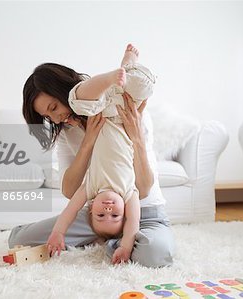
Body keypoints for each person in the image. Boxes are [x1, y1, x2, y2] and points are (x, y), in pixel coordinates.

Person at [10, 44, 175, 267]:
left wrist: (136, 138)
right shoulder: (67, 131)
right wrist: (87, 142)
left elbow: (143, 188)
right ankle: (111, 238)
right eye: (48, 116)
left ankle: (113, 243)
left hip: (143, 214)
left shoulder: (128, 112)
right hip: (96, 217)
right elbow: (70, 191)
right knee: (19, 239)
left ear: (63, 91)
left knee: (154, 254)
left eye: (54, 107)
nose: (56, 119)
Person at [46, 45, 157, 264]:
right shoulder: (129, 193)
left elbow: (69, 210)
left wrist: (58, 233)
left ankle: (110, 78)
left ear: (90, 209)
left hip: (98, 112)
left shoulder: (90, 188)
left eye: (101, 215)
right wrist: (126, 246)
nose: (108, 209)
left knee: (77, 99)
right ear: (124, 211)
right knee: (143, 85)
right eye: (115, 216)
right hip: (123, 119)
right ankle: (128, 63)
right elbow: (134, 223)